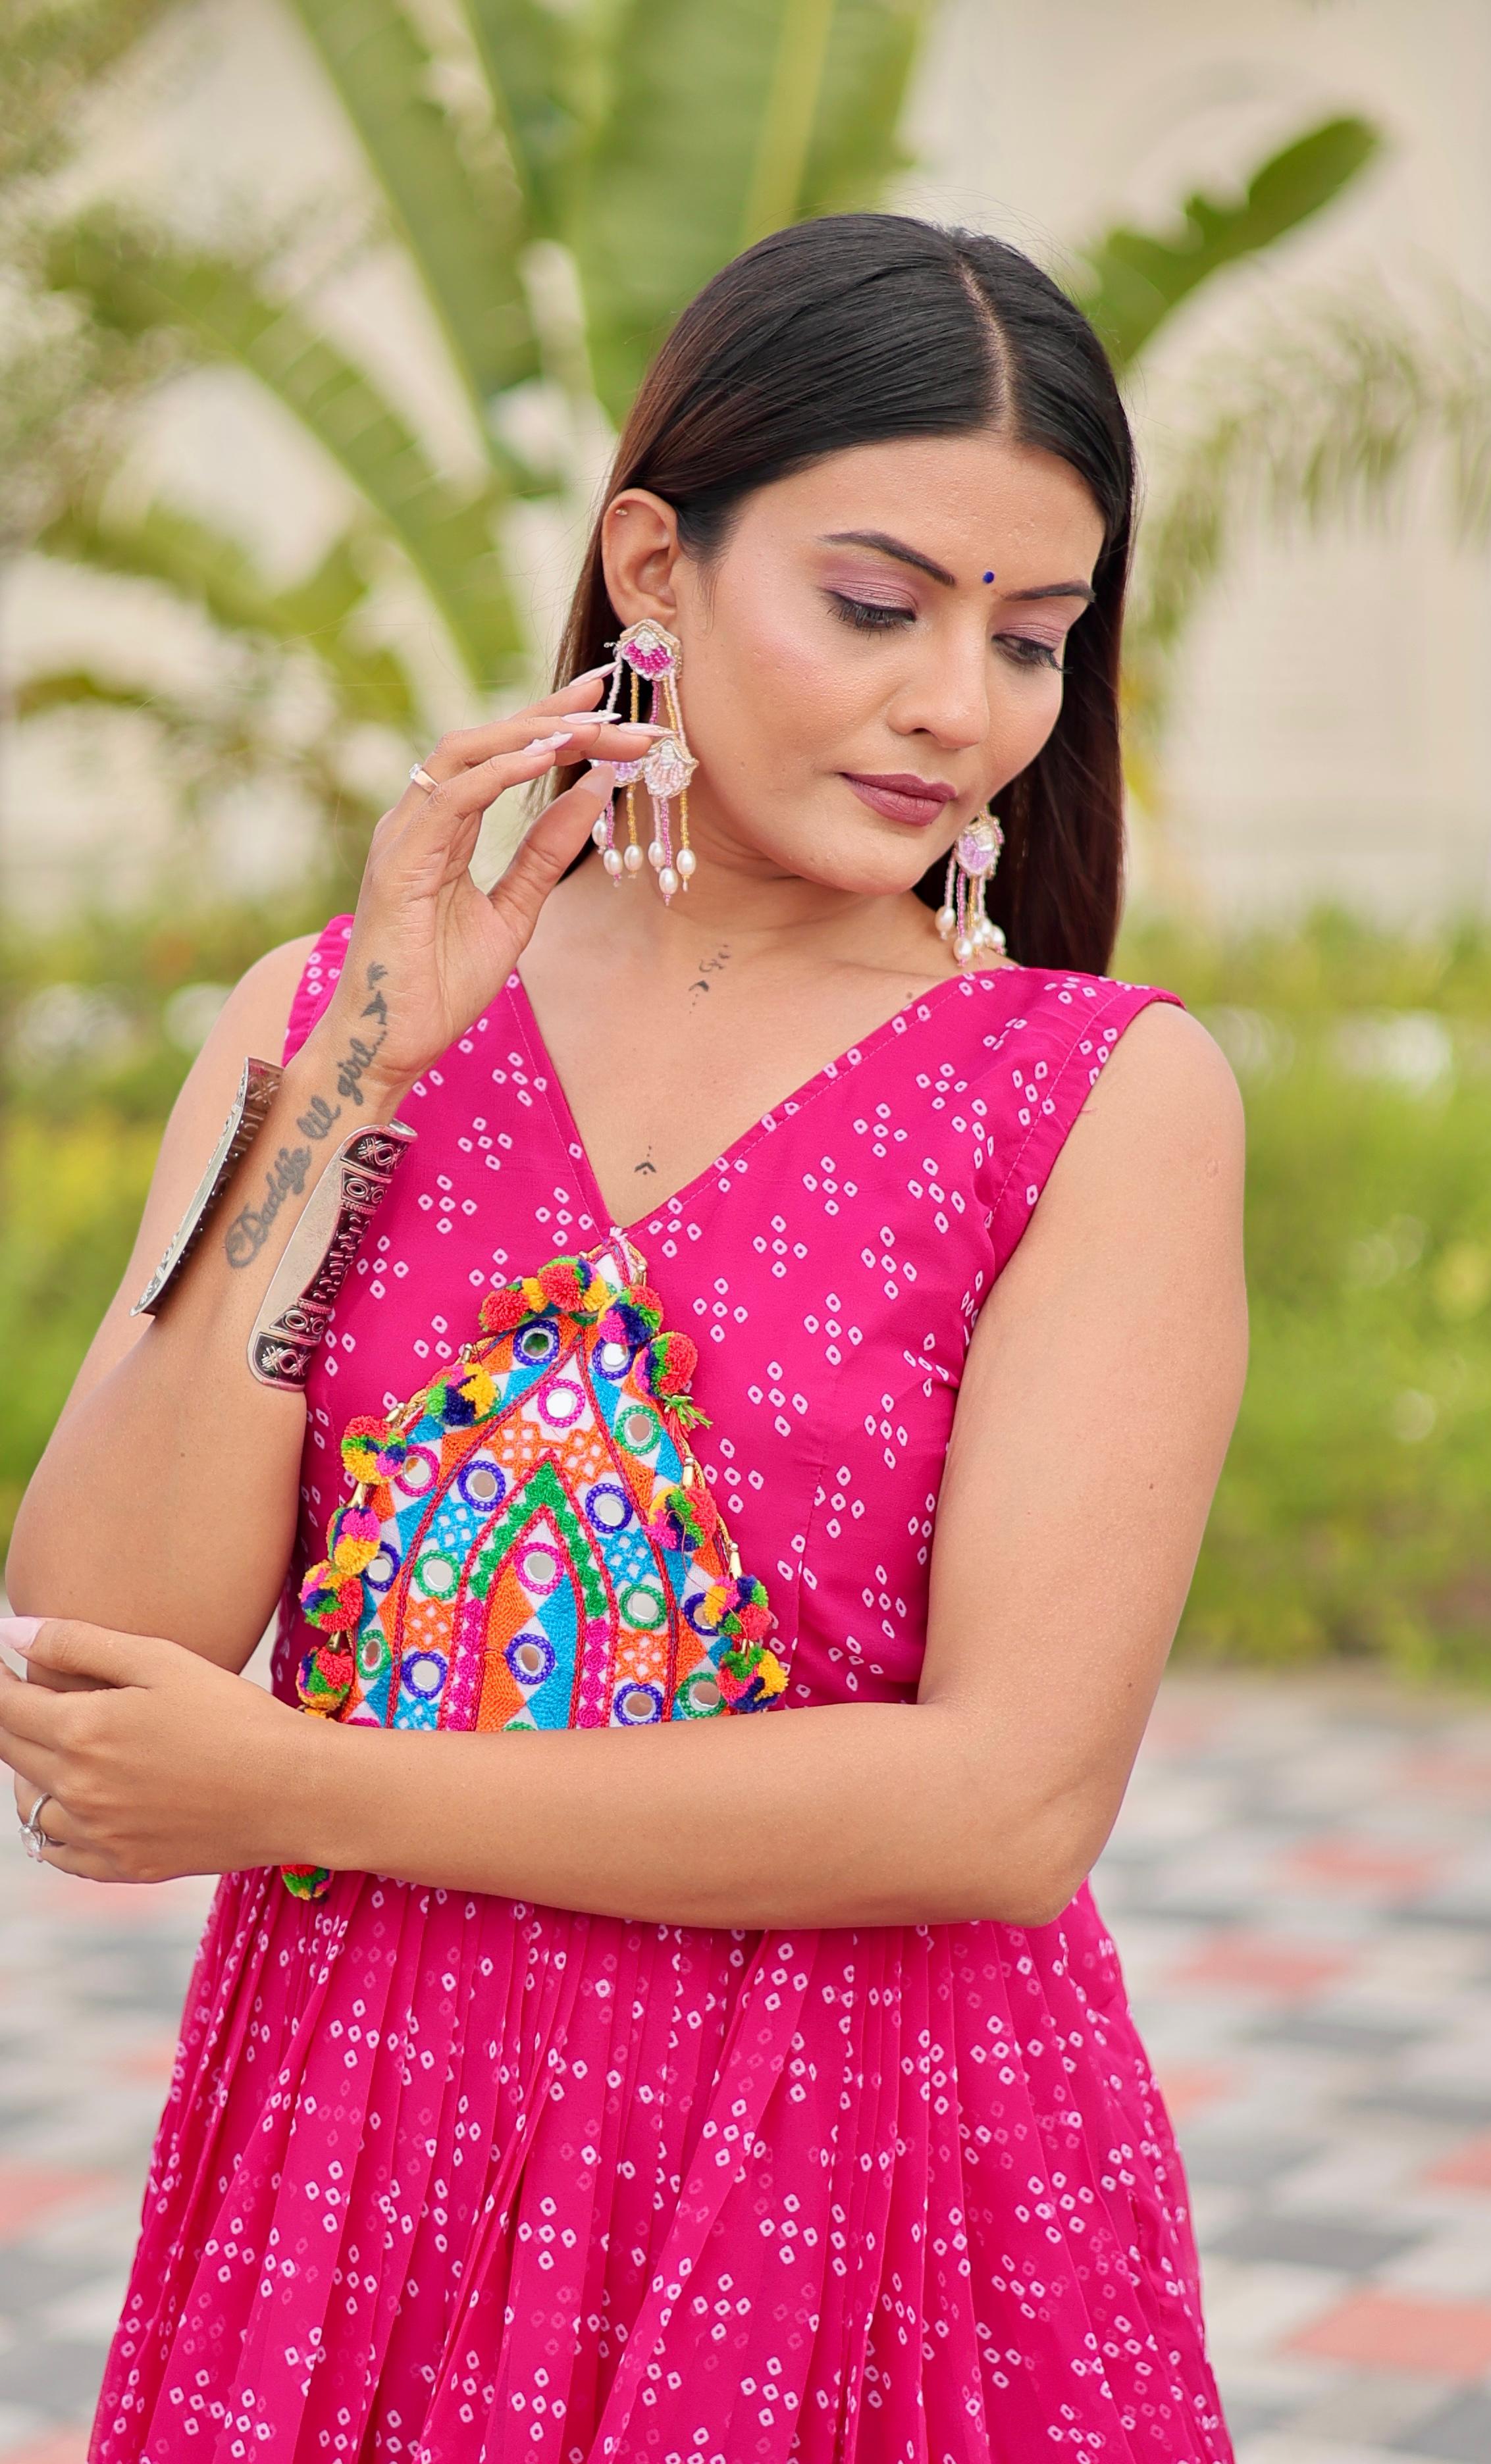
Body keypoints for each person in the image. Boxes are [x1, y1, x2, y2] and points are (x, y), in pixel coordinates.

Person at [1, 213, 1246, 2461]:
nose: (958, 708)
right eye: (874, 607)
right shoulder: (334, 1019)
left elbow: (1005, 1804)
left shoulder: (1087, 1099)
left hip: (851, 2186)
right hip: (361, 2165)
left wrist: (309, 1789)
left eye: (1029, 640)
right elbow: (106, 1641)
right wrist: (357, 1077)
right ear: (655, 567)